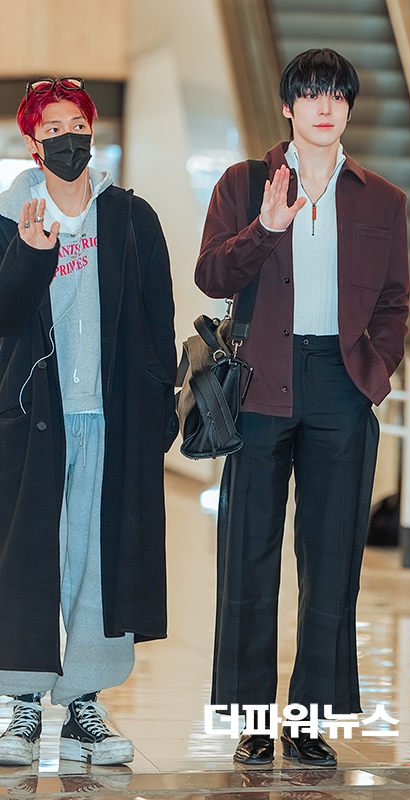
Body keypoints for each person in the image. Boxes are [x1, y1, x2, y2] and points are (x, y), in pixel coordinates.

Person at [196, 48, 410, 766]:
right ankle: (255, 720)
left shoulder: (382, 198)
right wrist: (266, 228)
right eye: (310, 94)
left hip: (341, 385)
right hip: (260, 382)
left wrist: (371, 374)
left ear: (349, 108)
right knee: (248, 556)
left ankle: (311, 718)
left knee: (333, 560)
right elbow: (210, 274)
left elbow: (394, 299)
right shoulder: (245, 182)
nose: (324, 106)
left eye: (336, 95)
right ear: (288, 106)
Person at [0, 78, 177, 766]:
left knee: (101, 563)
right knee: (27, 560)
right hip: (31, 423)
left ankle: (83, 708)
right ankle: (20, 704)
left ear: (93, 131)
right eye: (53, 127)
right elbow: (6, 319)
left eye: (77, 123)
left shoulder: (131, 218)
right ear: (32, 140)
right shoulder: (10, 217)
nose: (67, 137)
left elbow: (157, 323)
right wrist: (31, 253)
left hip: (112, 420)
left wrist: (158, 407)